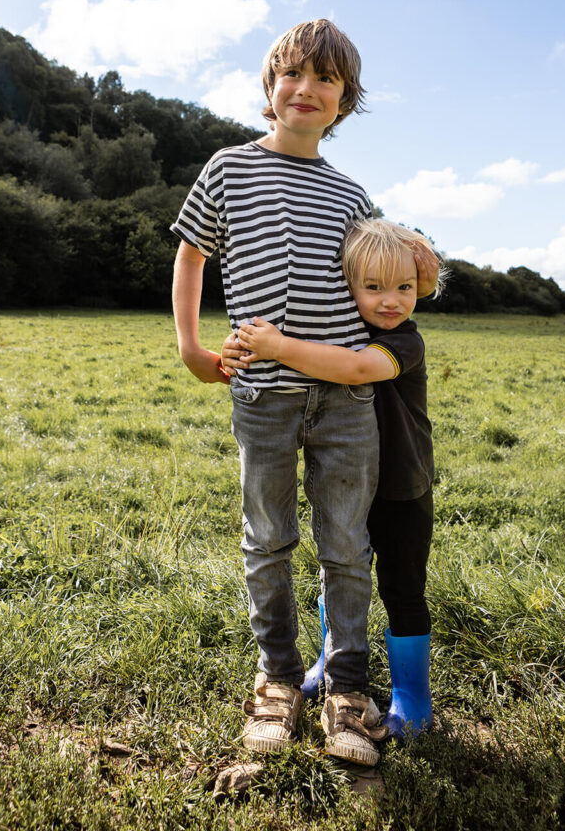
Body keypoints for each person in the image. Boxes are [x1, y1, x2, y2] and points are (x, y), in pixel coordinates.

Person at [170, 18, 440, 767]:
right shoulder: (226, 167)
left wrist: (414, 254)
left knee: (347, 547)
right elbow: (192, 254)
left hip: (345, 403)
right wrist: (190, 344)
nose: (307, 89)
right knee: (267, 540)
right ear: (269, 86)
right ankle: (279, 681)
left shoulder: (351, 193)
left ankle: (348, 690)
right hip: (262, 395)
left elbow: (382, 269)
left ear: (344, 101)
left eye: (326, 80)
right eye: (294, 73)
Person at [229, 217, 442, 739]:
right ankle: (331, 662)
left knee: (401, 586)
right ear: (346, 287)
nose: (390, 300)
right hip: (347, 474)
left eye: (404, 288)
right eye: (372, 288)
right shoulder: (343, 329)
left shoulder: (405, 342)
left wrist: (278, 346)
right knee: (341, 559)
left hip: (399, 486)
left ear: (420, 288)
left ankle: (413, 696)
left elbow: (352, 370)